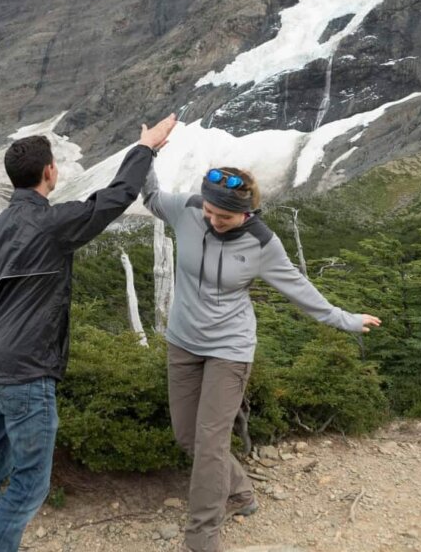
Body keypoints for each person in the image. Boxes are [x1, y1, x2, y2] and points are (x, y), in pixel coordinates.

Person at [141, 165, 381, 552]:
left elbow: (299, 289)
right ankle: (239, 493)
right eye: (211, 213)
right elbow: (151, 198)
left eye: (226, 216)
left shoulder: (262, 243)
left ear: (247, 213)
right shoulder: (187, 209)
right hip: (183, 343)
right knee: (188, 436)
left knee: (210, 442)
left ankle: (201, 537)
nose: (215, 221)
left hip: (230, 349)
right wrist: (146, 153)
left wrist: (345, 319)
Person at [0, 113, 177, 552]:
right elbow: (115, 198)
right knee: (28, 486)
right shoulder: (51, 223)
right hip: (29, 372)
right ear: (49, 172)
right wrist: (146, 148)